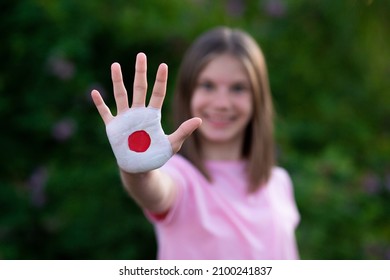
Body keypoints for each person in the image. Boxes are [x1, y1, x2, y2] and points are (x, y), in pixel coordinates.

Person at [91, 26, 300, 260]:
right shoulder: (181, 177)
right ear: (188, 93)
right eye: (207, 86)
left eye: (238, 88)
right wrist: (136, 169)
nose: (222, 103)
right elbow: (154, 190)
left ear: (258, 99)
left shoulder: (278, 183)